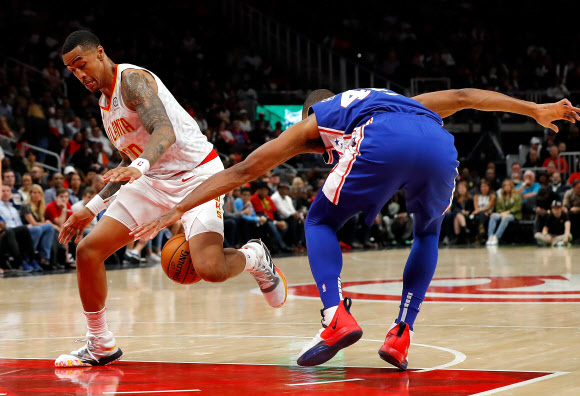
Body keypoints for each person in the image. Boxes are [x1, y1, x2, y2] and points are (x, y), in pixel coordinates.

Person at [133, 87, 580, 370]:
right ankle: (401, 334)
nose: (315, 150)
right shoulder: (400, 99)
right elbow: (466, 95)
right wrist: (534, 109)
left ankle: (334, 317)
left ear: (312, 113)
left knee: (319, 220)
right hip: (440, 146)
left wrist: (178, 208)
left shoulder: (320, 117)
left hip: (382, 141)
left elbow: (244, 170)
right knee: (426, 234)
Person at [56, 31, 286, 367]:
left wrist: (140, 166)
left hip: (198, 175)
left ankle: (253, 256)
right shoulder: (105, 104)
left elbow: (164, 131)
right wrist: (89, 210)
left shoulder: (132, 81)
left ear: (101, 53)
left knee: (210, 269)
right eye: (71, 70)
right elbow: (127, 161)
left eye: (81, 64)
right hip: (151, 180)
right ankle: (100, 343)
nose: (79, 74)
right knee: (88, 251)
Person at [486, 179, 522, 245]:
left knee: (505, 217)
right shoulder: (501, 197)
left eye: (508, 185)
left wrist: (507, 212)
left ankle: (496, 237)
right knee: (493, 215)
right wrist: (502, 213)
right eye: (505, 186)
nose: (507, 187)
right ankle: (490, 236)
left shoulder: (517, 196)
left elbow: (517, 207)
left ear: (511, 187)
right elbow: (498, 208)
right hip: (502, 213)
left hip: (513, 215)